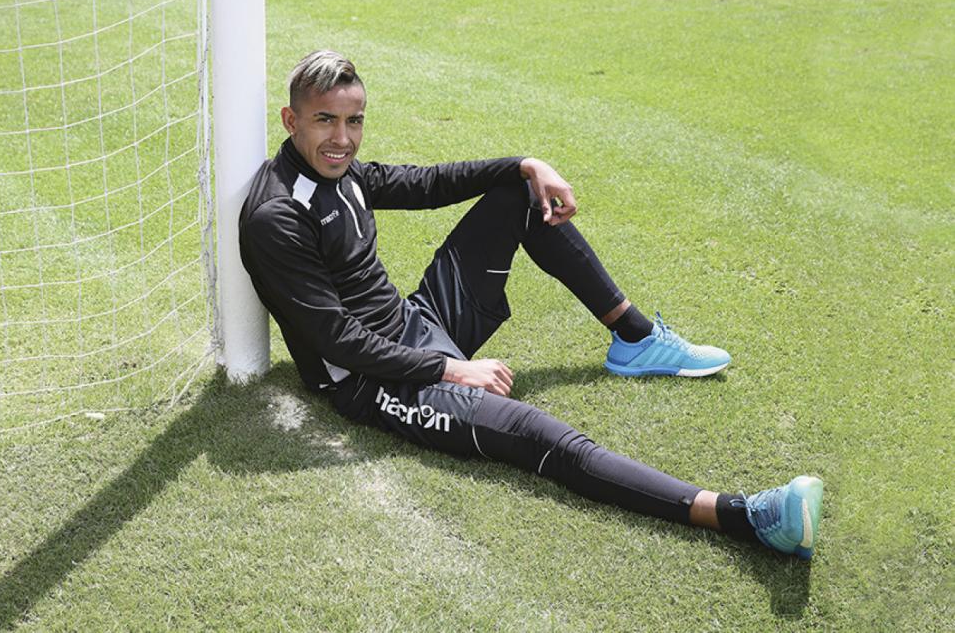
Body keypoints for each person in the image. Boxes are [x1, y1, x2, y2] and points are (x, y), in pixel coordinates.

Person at [239, 50, 823, 559]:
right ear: (291, 120)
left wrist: (525, 164)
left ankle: (635, 340)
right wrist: (453, 369)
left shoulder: (339, 169)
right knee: (536, 433)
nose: (342, 138)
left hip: (418, 324)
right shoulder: (277, 215)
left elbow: (424, 184)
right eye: (325, 121)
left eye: (354, 121)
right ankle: (743, 515)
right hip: (374, 381)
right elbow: (335, 340)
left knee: (521, 195)